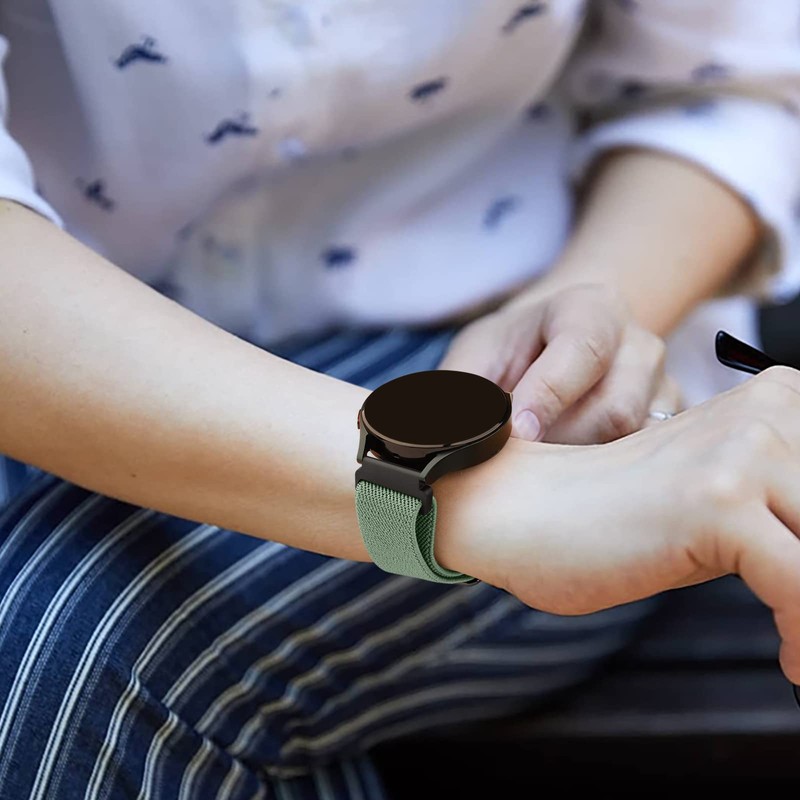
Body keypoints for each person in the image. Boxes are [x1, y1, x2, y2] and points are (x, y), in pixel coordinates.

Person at [1, 1, 800, 797]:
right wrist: (491, 500)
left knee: (76, 647)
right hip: (57, 366)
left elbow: (724, 83)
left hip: (506, 363)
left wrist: (592, 306)